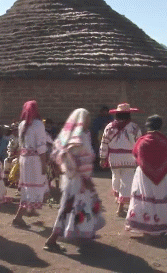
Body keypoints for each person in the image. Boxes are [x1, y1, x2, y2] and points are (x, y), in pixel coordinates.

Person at [44, 108, 106, 252]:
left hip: (79, 178)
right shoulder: (76, 138)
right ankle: (51, 240)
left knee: (82, 206)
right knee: (69, 208)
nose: (89, 121)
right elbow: (71, 158)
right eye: (87, 118)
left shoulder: (83, 134)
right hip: (77, 180)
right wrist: (83, 177)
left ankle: (82, 233)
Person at [125, 115, 167, 236]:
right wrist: (163, 166)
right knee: (162, 198)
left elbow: (135, 156)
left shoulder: (141, 141)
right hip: (164, 175)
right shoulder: (165, 141)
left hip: (143, 175)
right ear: (161, 126)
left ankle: (145, 225)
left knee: (146, 198)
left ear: (147, 127)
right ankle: (163, 225)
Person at [99, 103, 142, 217]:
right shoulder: (134, 127)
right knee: (127, 181)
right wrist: (140, 158)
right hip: (129, 158)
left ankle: (119, 200)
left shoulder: (109, 127)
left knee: (116, 178)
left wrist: (103, 158)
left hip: (114, 158)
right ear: (128, 114)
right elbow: (139, 145)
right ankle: (121, 207)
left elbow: (104, 143)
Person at [12, 100, 48, 228]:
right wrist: (44, 164)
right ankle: (18, 217)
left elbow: (21, 144)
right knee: (34, 188)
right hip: (34, 161)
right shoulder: (38, 124)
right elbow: (41, 146)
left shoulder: (22, 124)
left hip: (24, 159)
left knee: (30, 187)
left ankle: (30, 210)